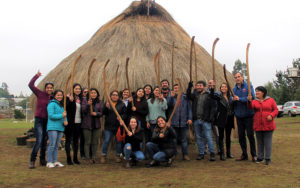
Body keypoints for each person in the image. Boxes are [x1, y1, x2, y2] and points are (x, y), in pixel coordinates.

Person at [28, 71, 54, 169]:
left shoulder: (52, 97)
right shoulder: (40, 93)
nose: (49, 89)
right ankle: (32, 160)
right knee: (39, 140)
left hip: (47, 121)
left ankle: (42, 159)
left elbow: (61, 98)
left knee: (44, 141)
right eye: (48, 87)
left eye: (51, 88)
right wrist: (36, 76)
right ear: (45, 88)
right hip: (39, 119)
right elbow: (30, 85)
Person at [186, 80, 217, 161]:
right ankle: (201, 153)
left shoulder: (209, 95)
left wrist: (210, 118)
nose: (198, 87)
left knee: (208, 137)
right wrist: (189, 87)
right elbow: (188, 96)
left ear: (204, 86)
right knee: (199, 137)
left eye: (200, 85)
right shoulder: (195, 95)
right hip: (196, 120)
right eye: (197, 85)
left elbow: (213, 107)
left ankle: (212, 153)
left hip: (205, 120)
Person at [247, 86, 278, 165]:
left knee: (267, 142)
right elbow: (250, 107)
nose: (256, 93)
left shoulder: (270, 100)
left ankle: (268, 158)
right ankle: (260, 157)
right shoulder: (254, 101)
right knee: (259, 142)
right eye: (256, 91)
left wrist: (271, 115)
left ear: (263, 93)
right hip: (258, 125)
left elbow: (276, 110)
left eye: (258, 91)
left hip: (268, 124)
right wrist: (249, 101)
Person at [233, 72, 257, 162]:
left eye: (239, 77)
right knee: (241, 136)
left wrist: (240, 99)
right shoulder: (234, 89)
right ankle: (244, 154)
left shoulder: (249, 87)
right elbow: (233, 101)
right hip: (239, 116)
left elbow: (252, 98)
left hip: (248, 115)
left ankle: (254, 155)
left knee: (250, 135)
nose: (237, 78)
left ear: (242, 77)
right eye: (236, 77)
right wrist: (233, 100)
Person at [167, 84, 192, 160]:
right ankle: (174, 154)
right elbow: (168, 106)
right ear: (173, 89)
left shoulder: (185, 97)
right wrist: (171, 97)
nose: (176, 89)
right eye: (175, 88)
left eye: (178, 88)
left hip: (184, 122)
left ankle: (185, 154)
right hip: (174, 122)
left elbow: (189, 109)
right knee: (174, 139)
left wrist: (190, 118)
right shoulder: (170, 97)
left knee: (184, 140)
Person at [101, 90, 127, 163]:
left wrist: (121, 117)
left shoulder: (122, 104)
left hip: (118, 126)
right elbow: (103, 113)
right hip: (108, 126)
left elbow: (125, 114)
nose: (114, 96)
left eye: (116, 95)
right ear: (110, 96)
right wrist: (106, 108)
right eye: (113, 95)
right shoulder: (107, 103)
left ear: (118, 97)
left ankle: (117, 155)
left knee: (118, 141)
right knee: (106, 140)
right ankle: (103, 155)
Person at [81, 88, 103, 164]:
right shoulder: (85, 101)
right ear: (89, 94)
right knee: (87, 142)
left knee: (95, 142)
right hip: (87, 124)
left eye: (95, 93)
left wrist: (96, 114)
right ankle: (87, 158)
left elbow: (101, 113)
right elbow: (83, 110)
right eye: (92, 93)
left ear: (97, 94)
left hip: (96, 125)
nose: (93, 94)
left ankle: (94, 157)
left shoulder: (99, 102)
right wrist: (88, 105)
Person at [46, 89, 67, 168]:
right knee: (52, 144)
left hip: (60, 127)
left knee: (56, 145)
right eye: (58, 95)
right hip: (52, 127)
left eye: (61, 95)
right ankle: (49, 161)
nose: (60, 96)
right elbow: (51, 116)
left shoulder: (61, 105)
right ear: (54, 96)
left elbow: (65, 115)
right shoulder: (51, 104)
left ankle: (55, 160)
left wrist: (66, 121)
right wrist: (62, 116)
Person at [214, 83, 235, 160]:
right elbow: (212, 96)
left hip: (229, 118)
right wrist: (212, 88)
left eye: (225, 86)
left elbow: (233, 107)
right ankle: (222, 154)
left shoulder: (231, 97)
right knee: (221, 137)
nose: (223, 88)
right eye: (222, 86)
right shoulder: (218, 97)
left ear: (227, 88)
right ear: (220, 88)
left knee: (228, 137)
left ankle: (228, 153)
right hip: (221, 119)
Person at [65, 83, 83, 165]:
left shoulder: (80, 99)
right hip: (70, 122)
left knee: (76, 141)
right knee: (68, 140)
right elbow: (65, 108)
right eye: (76, 88)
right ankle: (69, 158)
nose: (78, 90)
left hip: (78, 122)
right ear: (73, 89)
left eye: (79, 89)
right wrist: (70, 101)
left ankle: (75, 158)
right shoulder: (68, 97)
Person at [80, 87, 89, 159]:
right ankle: (82, 153)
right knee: (82, 138)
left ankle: (88, 153)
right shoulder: (80, 100)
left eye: (87, 92)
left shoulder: (90, 100)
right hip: (81, 121)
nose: (86, 93)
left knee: (88, 139)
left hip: (88, 121)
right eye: (85, 92)